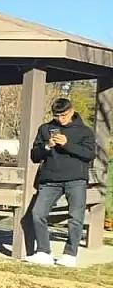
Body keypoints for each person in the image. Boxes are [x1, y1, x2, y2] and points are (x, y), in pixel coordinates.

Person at [25, 97, 96, 267]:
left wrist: (67, 144)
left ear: (71, 111)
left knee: (76, 218)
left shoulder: (85, 131)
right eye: (57, 115)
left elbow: (89, 155)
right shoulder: (45, 129)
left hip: (76, 180)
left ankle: (70, 254)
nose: (60, 119)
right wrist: (47, 146)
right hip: (50, 179)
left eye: (64, 115)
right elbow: (34, 156)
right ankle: (43, 251)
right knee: (38, 213)